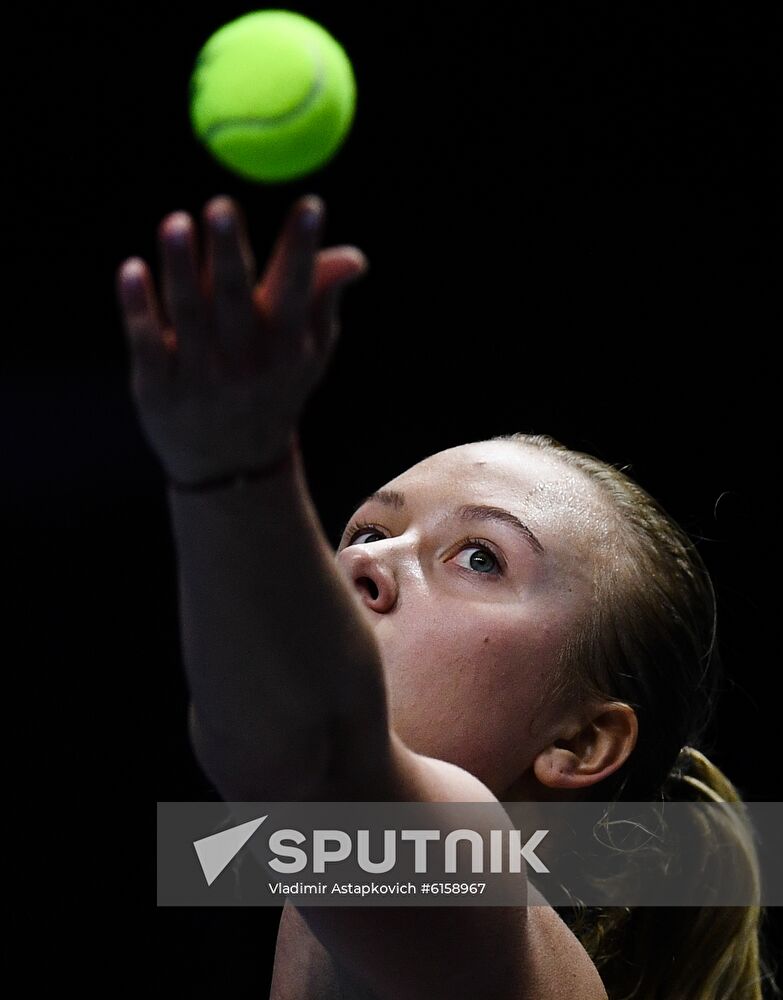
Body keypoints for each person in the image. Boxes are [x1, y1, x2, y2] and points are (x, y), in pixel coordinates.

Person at [118, 193, 777, 999]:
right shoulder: (330, 915)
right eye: (364, 532)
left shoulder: (478, 897)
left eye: (477, 557)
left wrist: (230, 470)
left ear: (580, 742)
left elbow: (309, 749)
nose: (365, 564)